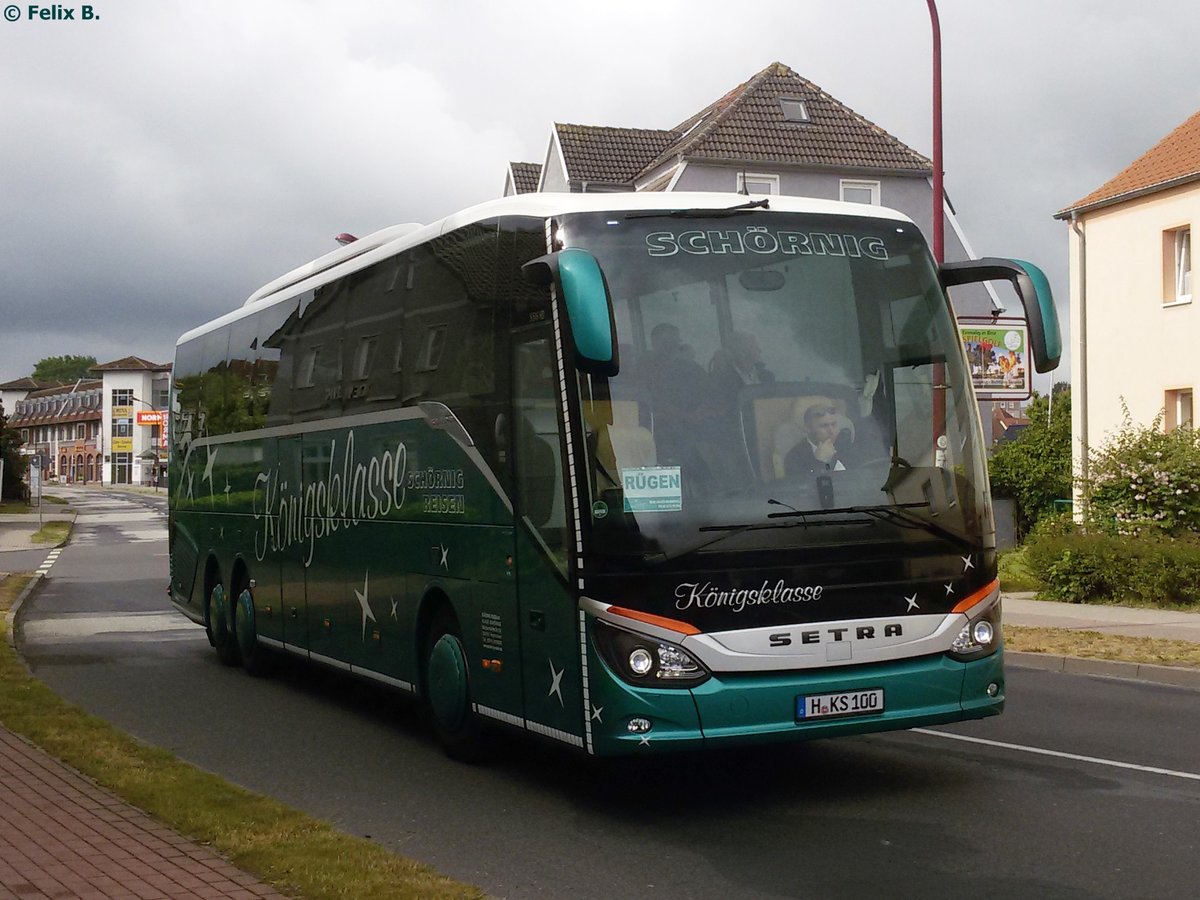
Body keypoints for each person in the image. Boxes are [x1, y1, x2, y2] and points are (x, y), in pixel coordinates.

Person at [784, 402, 852, 477]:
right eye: (824, 426)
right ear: (808, 428)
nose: (831, 431)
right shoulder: (795, 457)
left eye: (834, 424)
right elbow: (806, 486)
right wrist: (820, 462)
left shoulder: (845, 445)